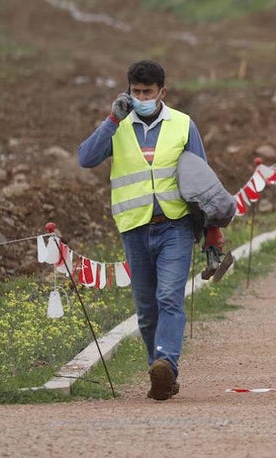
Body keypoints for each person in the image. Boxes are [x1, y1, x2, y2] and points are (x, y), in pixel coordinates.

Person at [78, 59, 207, 400]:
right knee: (147, 311)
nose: (141, 97)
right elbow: (85, 159)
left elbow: (201, 179)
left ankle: (166, 362)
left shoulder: (183, 124)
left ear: (162, 92)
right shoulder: (117, 126)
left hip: (175, 226)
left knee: (169, 297)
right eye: (135, 91)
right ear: (127, 91)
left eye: (147, 91)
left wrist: (213, 231)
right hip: (134, 227)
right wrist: (111, 120)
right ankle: (160, 374)